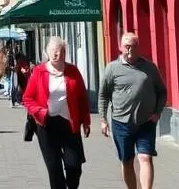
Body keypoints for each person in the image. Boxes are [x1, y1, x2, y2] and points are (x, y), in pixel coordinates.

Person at [98, 33, 166, 189]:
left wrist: (157, 112)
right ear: (120, 47)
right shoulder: (112, 68)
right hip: (121, 123)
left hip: (146, 122)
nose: (128, 49)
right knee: (127, 161)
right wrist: (103, 120)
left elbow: (162, 91)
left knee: (145, 157)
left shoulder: (150, 68)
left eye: (132, 46)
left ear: (138, 48)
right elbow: (103, 96)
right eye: (126, 46)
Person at [23, 36, 91, 189]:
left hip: (69, 123)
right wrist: (39, 112)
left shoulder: (72, 71)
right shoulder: (39, 71)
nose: (56, 54)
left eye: (59, 51)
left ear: (64, 53)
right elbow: (27, 98)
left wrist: (86, 121)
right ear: (47, 52)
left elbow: (82, 97)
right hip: (46, 124)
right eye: (53, 51)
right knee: (54, 170)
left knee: (74, 166)